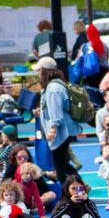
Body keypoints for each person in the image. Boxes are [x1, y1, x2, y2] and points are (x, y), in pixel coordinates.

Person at [34, 56, 84, 185]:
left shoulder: (53, 89)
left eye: (38, 70)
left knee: (59, 165)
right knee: (62, 161)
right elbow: (55, 107)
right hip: (65, 129)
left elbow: (56, 113)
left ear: (44, 70)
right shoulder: (57, 84)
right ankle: (81, 185)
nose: (38, 73)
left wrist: (52, 130)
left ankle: (68, 190)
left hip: (62, 131)